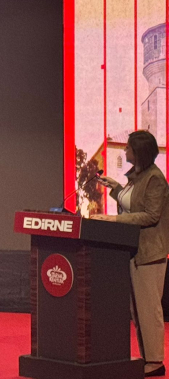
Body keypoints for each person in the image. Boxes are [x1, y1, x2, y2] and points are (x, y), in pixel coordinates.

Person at [93, 130, 169, 377]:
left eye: (128, 147)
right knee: (138, 310)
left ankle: (155, 362)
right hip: (134, 250)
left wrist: (114, 220)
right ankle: (148, 358)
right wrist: (115, 188)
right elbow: (133, 204)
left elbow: (150, 215)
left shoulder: (155, 179)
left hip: (149, 253)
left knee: (149, 310)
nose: (125, 150)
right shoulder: (137, 176)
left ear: (140, 152)